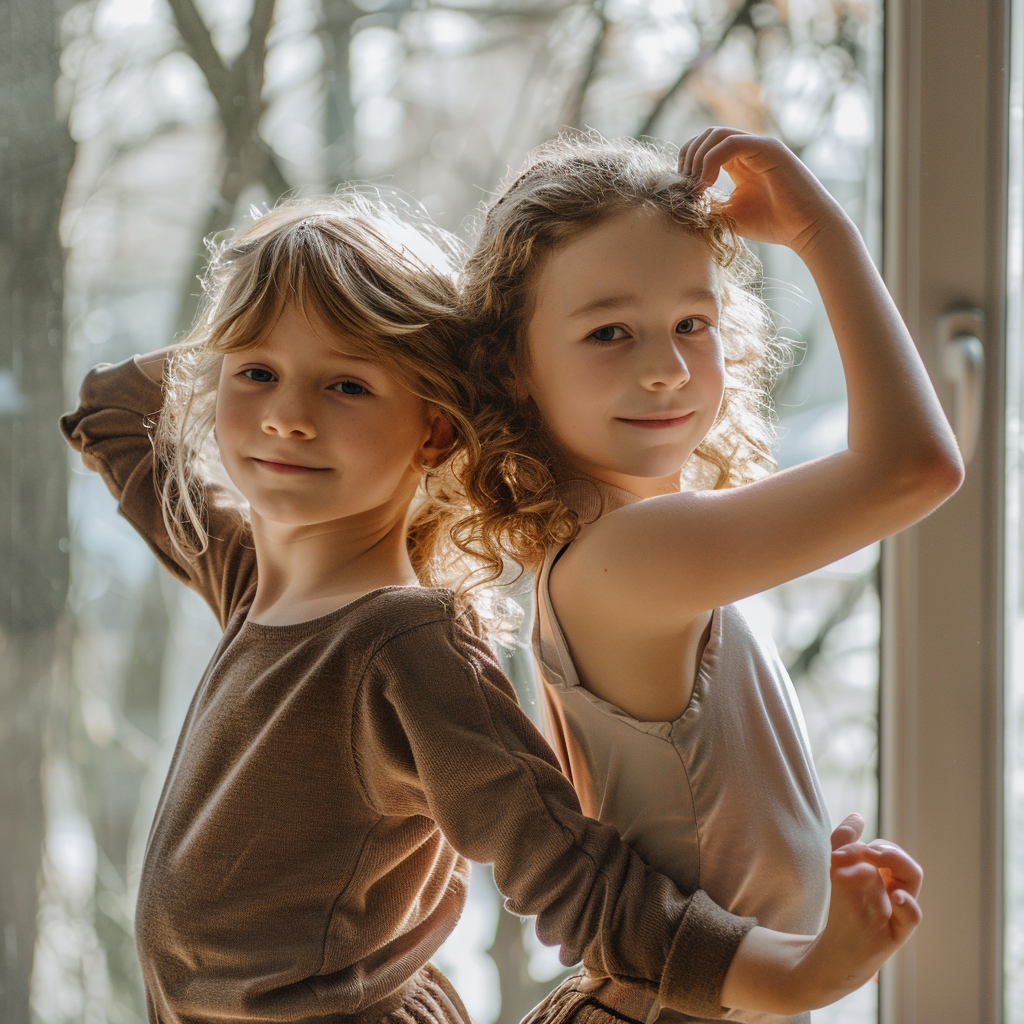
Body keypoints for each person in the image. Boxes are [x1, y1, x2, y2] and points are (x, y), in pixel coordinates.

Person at [62, 191, 914, 1024]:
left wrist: (802, 973)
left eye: (347, 386)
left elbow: (576, 877)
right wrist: (284, 267)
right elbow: (112, 411)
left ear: (434, 429)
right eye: (257, 372)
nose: (286, 417)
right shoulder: (247, 581)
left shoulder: (402, 647)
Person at [455, 127, 962, 1023]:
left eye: (694, 323)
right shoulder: (628, 558)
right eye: (609, 331)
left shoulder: (618, 543)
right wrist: (820, 233)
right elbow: (915, 467)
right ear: (512, 366)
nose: (667, 367)